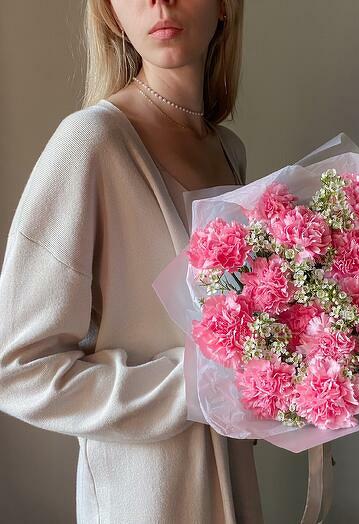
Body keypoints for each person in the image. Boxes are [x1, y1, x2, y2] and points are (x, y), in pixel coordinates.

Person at [0, 0, 264, 522]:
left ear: (224, 8)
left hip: (237, 487)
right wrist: (194, 386)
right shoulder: (90, 143)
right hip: (144, 498)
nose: (159, 2)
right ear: (111, 13)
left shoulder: (229, 152)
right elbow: (17, 371)